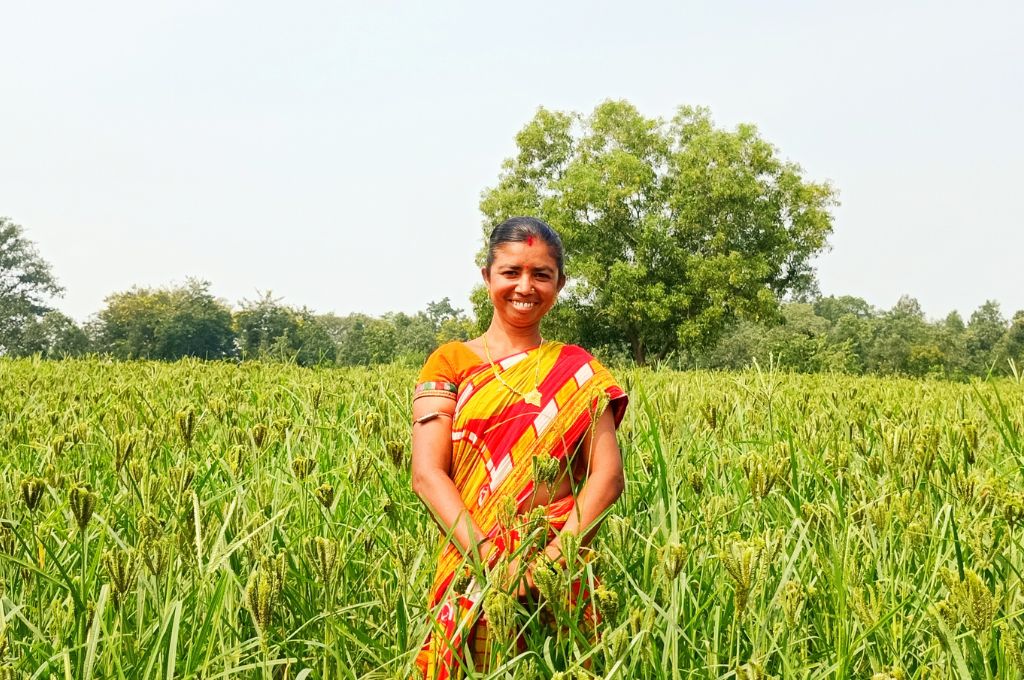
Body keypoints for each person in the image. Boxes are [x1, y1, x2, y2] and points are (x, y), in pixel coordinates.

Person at [410, 217, 628, 678]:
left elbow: (607, 478)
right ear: (487, 276)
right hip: (473, 562)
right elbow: (428, 475)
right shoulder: (451, 362)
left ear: (559, 284)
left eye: (541, 274)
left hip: (561, 569)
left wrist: (548, 564)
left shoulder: (579, 371)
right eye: (510, 272)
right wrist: (490, 558)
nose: (524, 286)